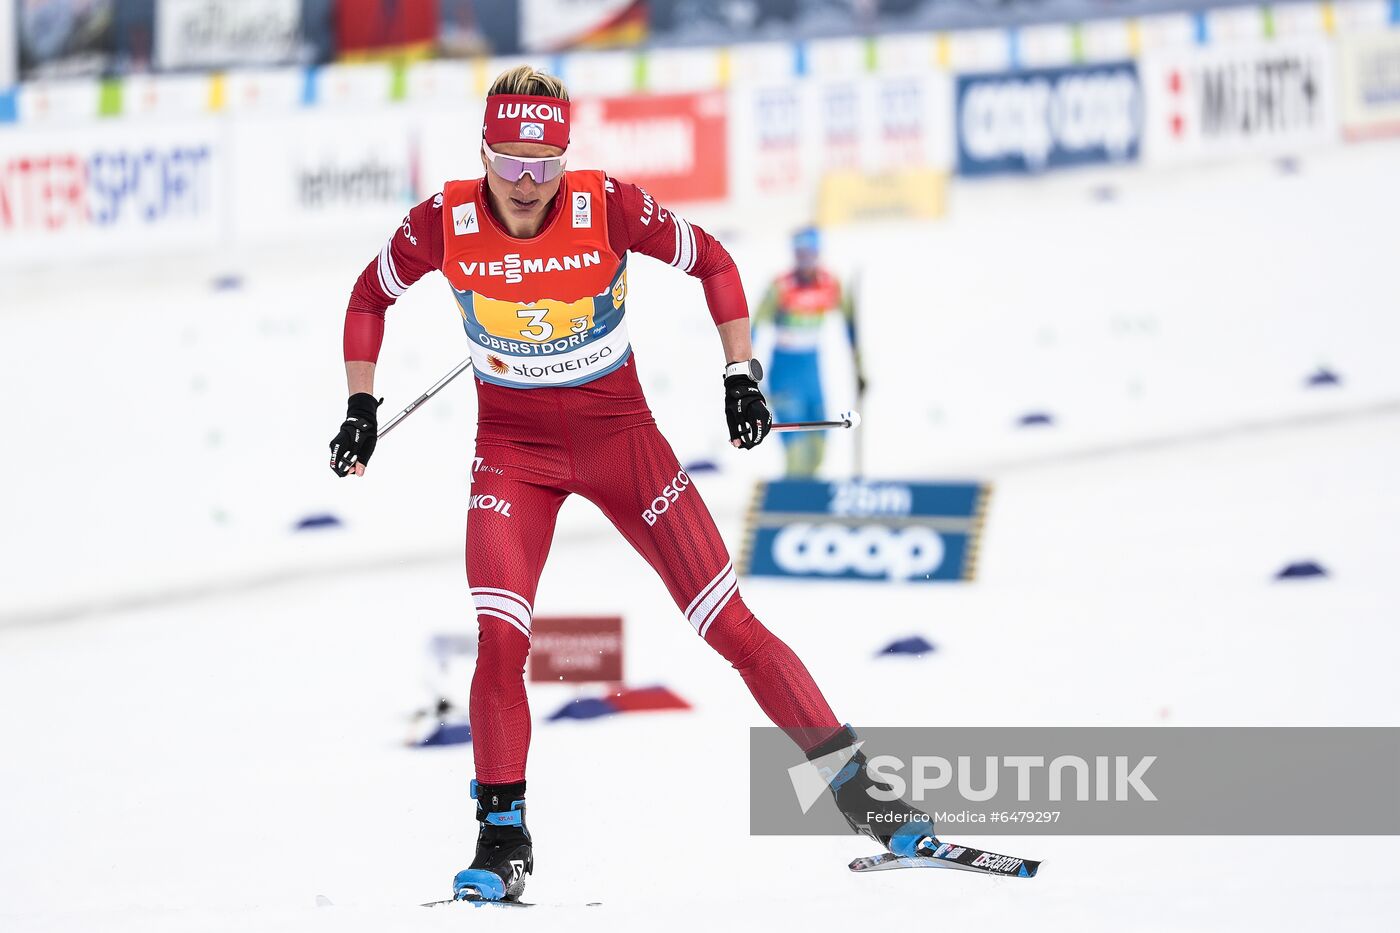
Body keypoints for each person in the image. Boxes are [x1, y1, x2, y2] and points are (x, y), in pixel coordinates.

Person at [327, 66, 931, 902]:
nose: (530, 182)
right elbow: (369, 294)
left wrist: (740, 373)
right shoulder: (444, 221)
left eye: (547, 162)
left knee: (730, 625)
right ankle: (503, 838)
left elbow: (714, 263)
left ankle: (862, 794)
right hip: (513, 453)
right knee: (501, 640)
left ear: (566, 155)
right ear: (485, 154)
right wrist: (361, 404)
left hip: (624, 444)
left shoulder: (606, 204)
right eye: (512, 162)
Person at [752, 226, 865, 478]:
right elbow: (754, 326)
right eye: (799, 253)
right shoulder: (781, 287)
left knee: (819, 449)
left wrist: (859, 364)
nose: (805, 260)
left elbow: (850, 323)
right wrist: (745, 372)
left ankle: (806, 505)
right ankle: (789, 503)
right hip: (784, 370)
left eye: (810, 253)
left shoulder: (830, 283)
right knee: (797, 453)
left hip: (811, 370)